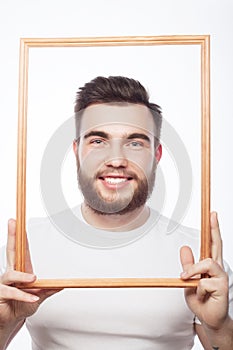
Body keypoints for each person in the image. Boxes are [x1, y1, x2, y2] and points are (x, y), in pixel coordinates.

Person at [0, 76, 232, 350]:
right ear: (77, 152)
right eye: (98, 141)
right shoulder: (26, 250)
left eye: (135, 143)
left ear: (156, 155)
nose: (117, 160)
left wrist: (218, 327)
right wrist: (3, 324)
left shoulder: (199, 256)